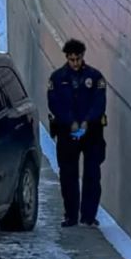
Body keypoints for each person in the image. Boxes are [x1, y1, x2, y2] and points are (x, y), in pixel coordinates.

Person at [46, 38, 108, 227]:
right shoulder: (57, 78)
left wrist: (87, 122)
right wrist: (70, 121)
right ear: (67, 57)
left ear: (82, 57)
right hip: (67, 132)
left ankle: (89, 216)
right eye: (71, 59)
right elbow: (54, 103)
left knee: (92, 174)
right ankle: (71, 215)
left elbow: (99, 102)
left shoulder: (95, 77)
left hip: (92, 133)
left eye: (78, 59)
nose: (75, 63)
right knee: (68, 175)